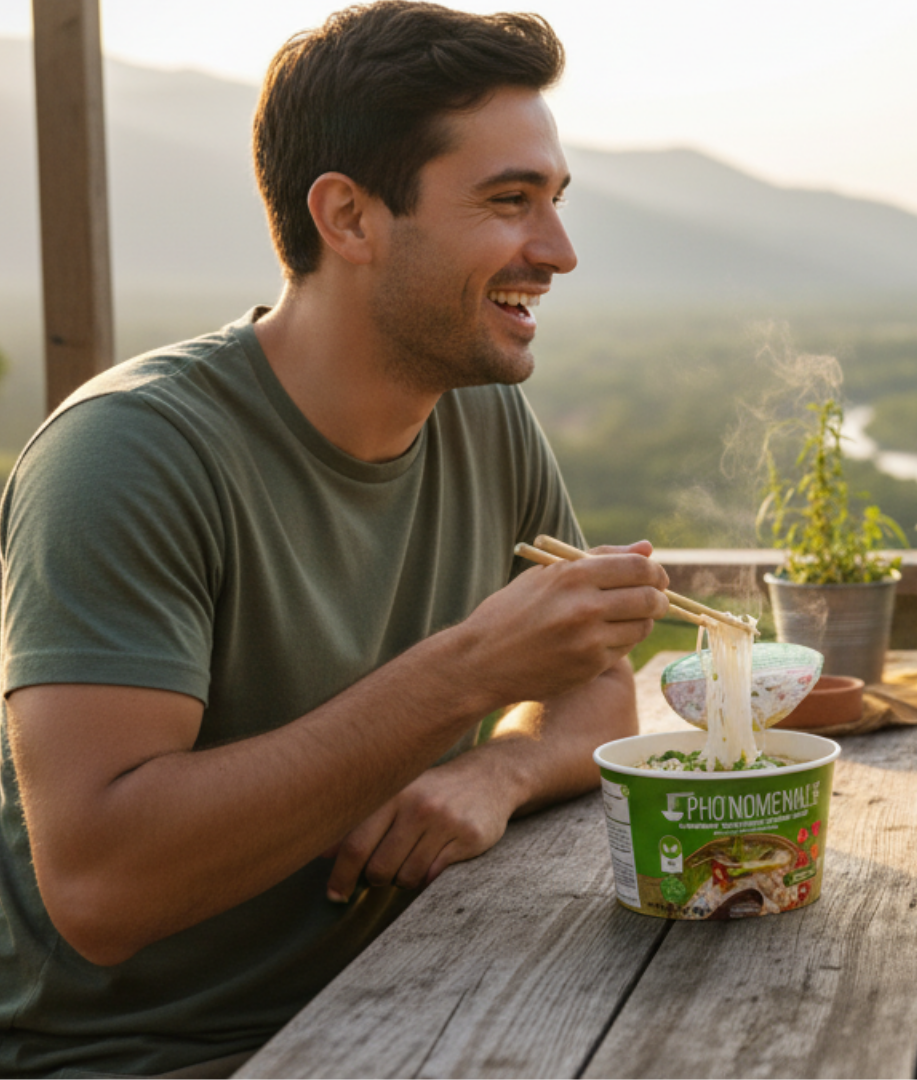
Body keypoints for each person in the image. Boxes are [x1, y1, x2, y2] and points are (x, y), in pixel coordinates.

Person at [0, 5, 666, 1075]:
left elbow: (597, 693)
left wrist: (499, 771)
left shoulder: (480, 413)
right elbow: (100, 889)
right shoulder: (129, 456)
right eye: (509, 202)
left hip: (402, 1000)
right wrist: (468, 672)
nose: (558, 252)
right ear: (349, 218)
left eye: (554, 201)